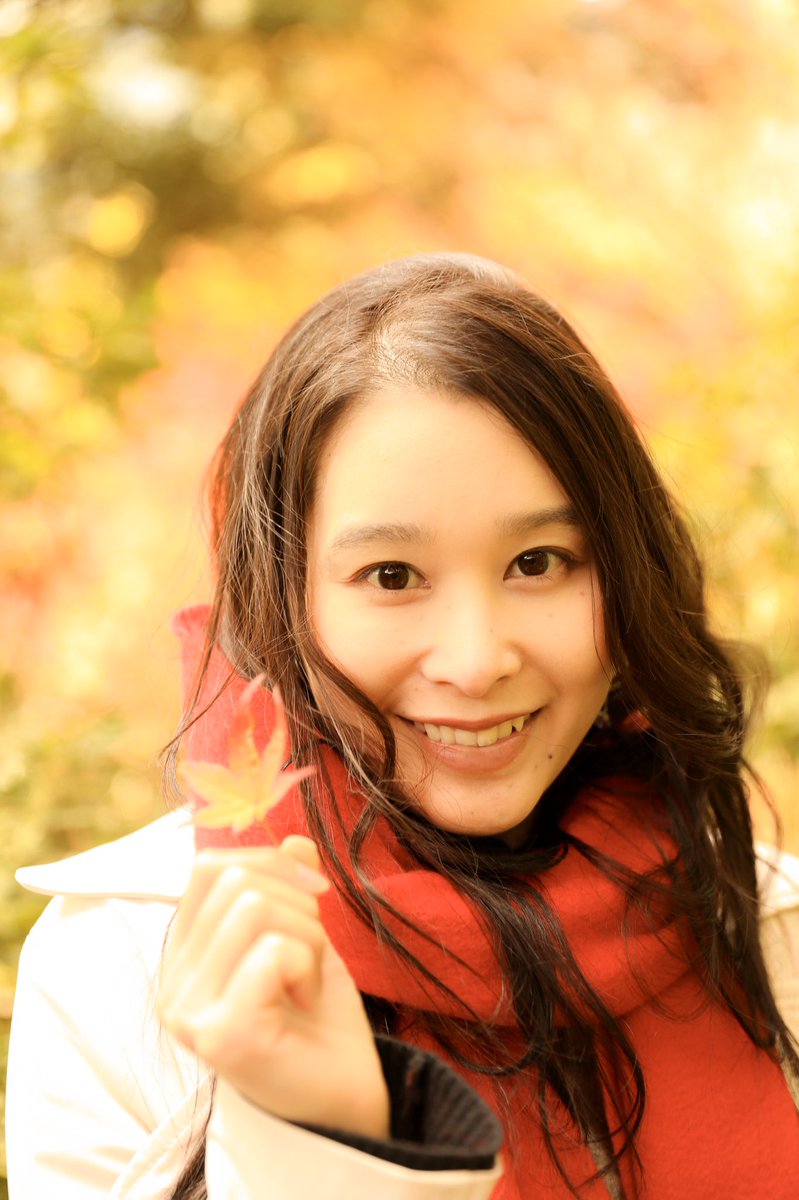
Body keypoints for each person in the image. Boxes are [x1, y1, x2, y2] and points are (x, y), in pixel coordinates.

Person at [7, 253, 799, 1200]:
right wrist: (326, 1133)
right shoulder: (121, 966)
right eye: (391, 576)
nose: (475, 660)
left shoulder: (768, 927)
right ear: (284, 600)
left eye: (538, 561)